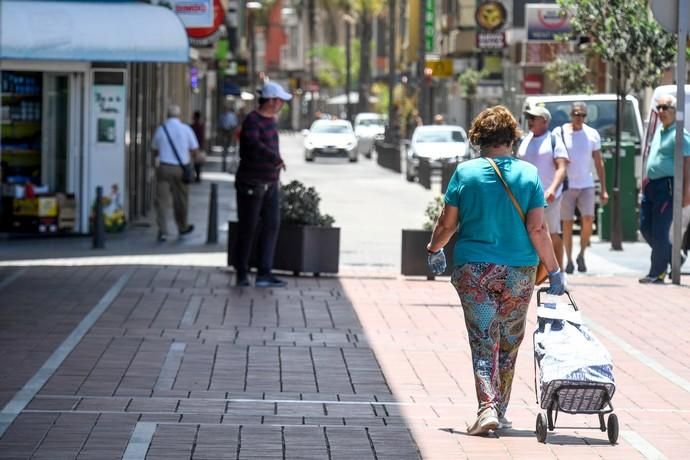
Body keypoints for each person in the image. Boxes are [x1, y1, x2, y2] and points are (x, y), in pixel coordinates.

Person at [426, 106, 565, 436]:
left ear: (478, 138)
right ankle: (498, 409)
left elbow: (448, 223)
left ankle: (487, 407)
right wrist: (554, 269)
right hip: (520, 270)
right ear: (512, 138)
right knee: (509, 340)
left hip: (474, 268)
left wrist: (434, 250)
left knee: (483, 338)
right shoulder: (529, 174)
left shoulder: (466, 173)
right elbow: (538, 230)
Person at [233, 82, 292, 288]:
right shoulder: (252, 120)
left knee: (272, 225)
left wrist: (275, 164)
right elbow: (253, 144)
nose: (283, 104)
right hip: (252, 182)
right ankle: (242, 272)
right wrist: (274, 158)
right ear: (271, 101)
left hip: (271, 182)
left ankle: (264, 272)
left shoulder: (271, 121)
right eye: (280, 100)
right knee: (248, 227)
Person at [639, 94, 690, 283]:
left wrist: (687, 192)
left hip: (667, 187)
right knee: (645, 227)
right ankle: (673, 256)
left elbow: (688, 162)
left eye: (664, 108)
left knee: (660, 230)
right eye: (658, 108)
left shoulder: (680, 133)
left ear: (674, 111)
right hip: (651, 186)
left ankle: (657, 272)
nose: (660, 112)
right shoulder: (660, 130)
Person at [552, 102, 608, 274]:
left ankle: (582, 254)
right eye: (576, 114)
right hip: (567, 184)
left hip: (587, 183)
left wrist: (604, 188)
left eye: (582, 115)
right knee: (567, 224)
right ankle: (569, 260)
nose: (579, 118)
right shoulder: (559, 132)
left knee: (588, 220)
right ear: (571, 115)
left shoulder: (592, 134)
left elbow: (598, 162)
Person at [517, 105, 569, 270]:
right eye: (528, 118)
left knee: (552, 234)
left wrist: (553, 188)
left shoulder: (554, 140)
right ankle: (535, 272)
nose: (529, 121)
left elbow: (562, 167)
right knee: (530, 234)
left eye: (533, 118)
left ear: (544, 121)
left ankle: (559, 272)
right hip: (525, 198)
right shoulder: (525, 140)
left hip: (548, 197)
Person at [152, 104, 199, 242]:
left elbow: (154, 150)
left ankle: (163, 231)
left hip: (164, 168)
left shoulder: (161, 130)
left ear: (167, 115)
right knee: (181, 200)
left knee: (161, 201)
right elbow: (195, 149)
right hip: (181, 169)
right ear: (179, 116)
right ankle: (182, 227)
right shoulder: (186, 129)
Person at [190, 110, 205, 182]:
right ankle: (197, 176)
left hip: (194, 146)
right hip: (198, 146)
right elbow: (202, 137)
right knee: (197, 163)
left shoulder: (194, 126)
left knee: (195, 162)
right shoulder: (200, 126)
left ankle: (196, 176)